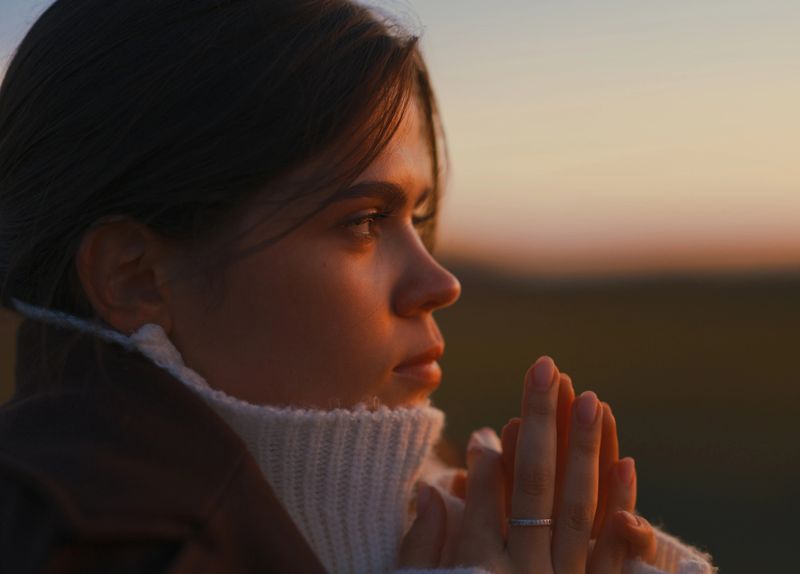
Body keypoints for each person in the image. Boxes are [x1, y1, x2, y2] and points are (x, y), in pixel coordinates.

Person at [0, 0, 715, 572]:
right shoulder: (66, 541)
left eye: (420, 217)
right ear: (135, 277)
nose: (438, 282)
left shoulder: (437, 525)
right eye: (365, 221)